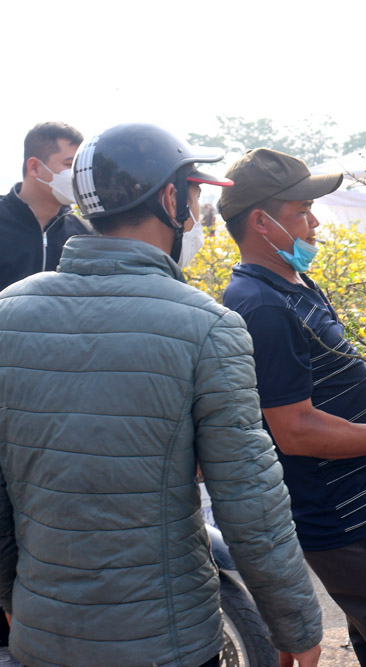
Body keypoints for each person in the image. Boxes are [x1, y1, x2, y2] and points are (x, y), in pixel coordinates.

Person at [0, 124, 324, 667]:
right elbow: (249, 501)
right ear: (172, 200)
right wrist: (294, 624)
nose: (197, 216)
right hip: (168, 644)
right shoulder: (206, 327)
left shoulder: (8, 314)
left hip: (43, 638)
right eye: (195, 196)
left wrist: (13, 596)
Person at [218, 148, 366, 667]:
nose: (314, 222)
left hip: (365, 502)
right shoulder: (262, 308)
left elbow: (334, 390)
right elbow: (296, 428)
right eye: (301, 211)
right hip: (341, 521)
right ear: (261, 222)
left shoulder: (294, 286)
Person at [0, 122, 92, 291]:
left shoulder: (82, 235)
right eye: (69, 164)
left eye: (81, 166)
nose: (78, 173)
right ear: (34, 167)